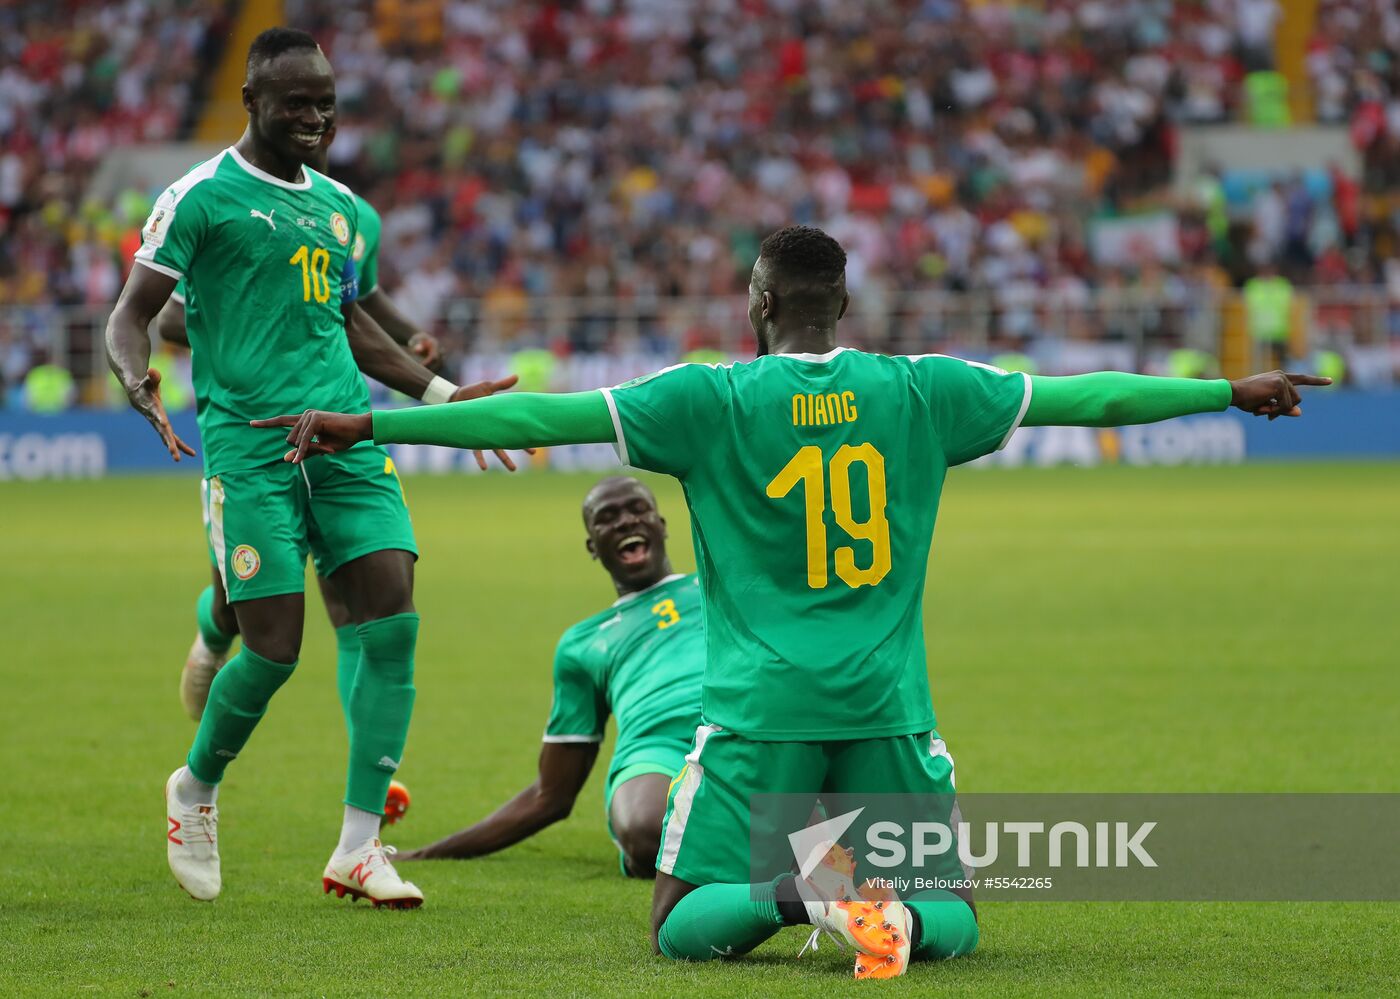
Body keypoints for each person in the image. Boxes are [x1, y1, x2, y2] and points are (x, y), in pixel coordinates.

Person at [255, 225, 1329, 974]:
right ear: (843, 303)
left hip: (759, 709)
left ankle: (808, 893)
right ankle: (881, 909)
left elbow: (536, 420)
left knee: (679, 925)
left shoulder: (705, 399)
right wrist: (1224, 389)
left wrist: (375, 422)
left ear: (758, 306)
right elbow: (1083, 397)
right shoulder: (923, 387)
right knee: (949, 914)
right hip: (884, 706)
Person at [106, 27, 518, 909]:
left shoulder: (337, 207)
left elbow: (351, 322)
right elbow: (134, 311)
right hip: (251, 450)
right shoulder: (200, 197)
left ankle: (359, 848)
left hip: (343, 439)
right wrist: (132, 372)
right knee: (276, 648)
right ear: (251, 100)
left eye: (326, 102)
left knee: (394, 618)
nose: (316, 117)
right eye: (297, 101)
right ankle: (197, 787)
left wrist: (445, 395)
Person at [399, 476, 703, 877]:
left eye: (637, 509)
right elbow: (551, 796)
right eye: (607, 517)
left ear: (661, 524)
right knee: (647, 833)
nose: (626, 522)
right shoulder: (583, 643)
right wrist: (424, 855)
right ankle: (758, 855)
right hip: (655, 750)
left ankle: (776, 880)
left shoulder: (716, 586)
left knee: (802, 768)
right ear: (593, 546)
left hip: (739, 727)